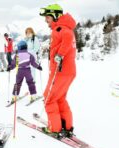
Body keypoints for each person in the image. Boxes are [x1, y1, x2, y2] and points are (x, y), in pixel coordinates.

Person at [39, 4, 77, 138]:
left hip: (60, 71)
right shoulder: (64, 28)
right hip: (67, 71)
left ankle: (54, 128)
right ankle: (66, 126)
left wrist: (59, 55)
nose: (46, 21)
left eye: (48, 18)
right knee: (59, 98)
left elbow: (67, 40)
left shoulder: (61, 29)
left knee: (48, 98)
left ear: (56, 16)